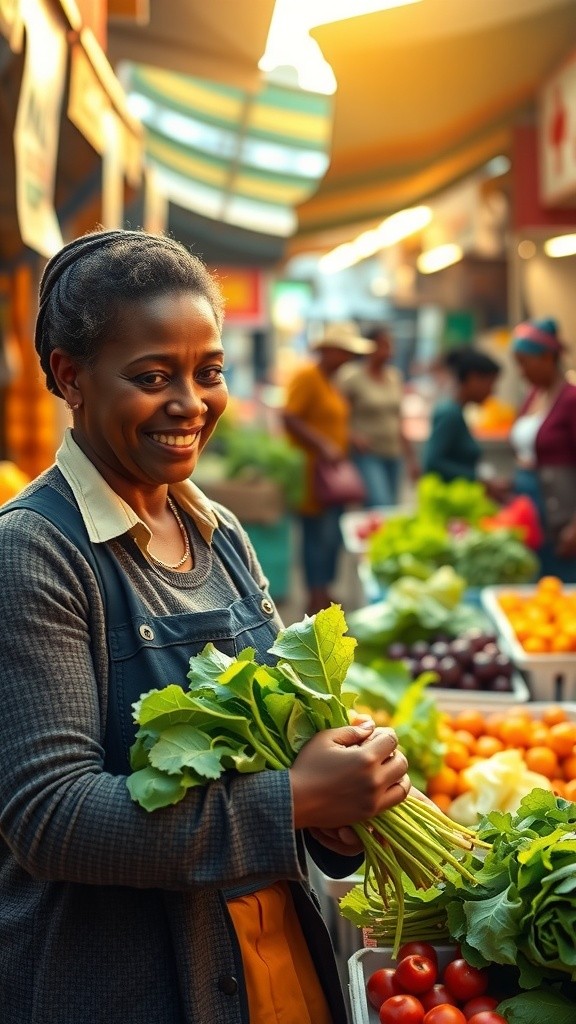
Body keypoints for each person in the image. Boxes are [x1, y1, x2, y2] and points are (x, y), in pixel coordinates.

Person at [0, 229, 412, 1024]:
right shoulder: (33, 553)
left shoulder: (218, 529)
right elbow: (50, 816)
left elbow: (284, 742)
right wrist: (293, 800)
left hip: (268, 964)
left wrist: (346, 797)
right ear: (70, 376)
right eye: (153, 377)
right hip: (125, 986)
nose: (190, 403)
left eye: (209, 372)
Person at [281, 321, 376, 616]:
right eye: (345, 352)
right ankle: (315, 595)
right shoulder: (307, 376)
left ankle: (324, 590)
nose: (349, 358)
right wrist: (322, 444)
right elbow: (290, 417)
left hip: (333, 473)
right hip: (313, 474)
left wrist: (349, 438)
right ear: (330, 351)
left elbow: (330, 421)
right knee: (316, 535)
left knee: (332, 534)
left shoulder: (332, 381)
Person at [510, 317, 576, 581]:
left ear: (547, 358)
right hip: (531, 507)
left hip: (559, 513)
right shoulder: (533, 396)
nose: (521, 372)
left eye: (525, 363)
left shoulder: (571, 399)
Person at [336, 323, 419, 507]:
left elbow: (398, 418)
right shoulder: (352, 376)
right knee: (379, 503)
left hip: (393, 451)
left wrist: (411, 458)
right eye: (383, 344)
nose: (388, 350)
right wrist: (352, 435)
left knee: (391, 507)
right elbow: (337, 413)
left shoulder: (394, 376)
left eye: (390, 344)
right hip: (368, 453)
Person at [421, 347, 502, 488]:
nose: (492, 391)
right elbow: (433, 462)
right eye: (490, 383)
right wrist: (477, 479)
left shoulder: (457, 412)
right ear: (473, 378)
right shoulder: (450, 414)